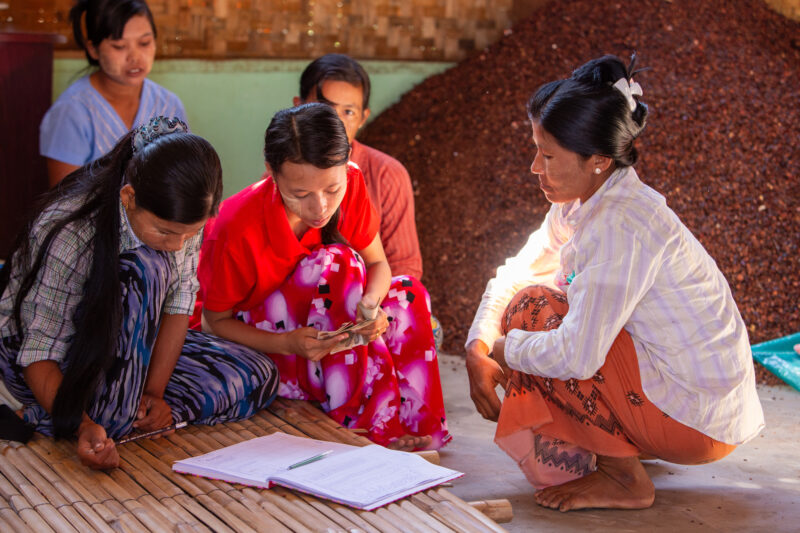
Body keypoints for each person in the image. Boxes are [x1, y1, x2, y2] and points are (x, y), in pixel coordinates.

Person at [465, 55, 764, 511]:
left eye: (547, 155)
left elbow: (578, 355)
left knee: (533, 309)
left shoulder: (621, 224)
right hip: (691, 406)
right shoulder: (584, 201)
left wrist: (503, 349)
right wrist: (477, 344)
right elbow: (517, 268)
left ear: (599, 160)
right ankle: (630, 439)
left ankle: (623, 479)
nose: (534, 167)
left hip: (698, 423)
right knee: (530, 293)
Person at [0, 117, 279, 470]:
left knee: (258, 374)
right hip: (44, 360)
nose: (178, 245)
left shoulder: (183, 217)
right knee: (148, 268)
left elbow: (179, 304)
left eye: (190, 233)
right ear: (128, 197)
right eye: (165, 231)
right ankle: (89, 414)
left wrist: (155, 394)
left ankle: (129, 410)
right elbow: (38, 350)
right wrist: (84, 425)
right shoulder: (70, 231)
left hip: (128, 347)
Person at [195, 103, 451, 451]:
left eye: (332, 190)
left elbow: (379, 265)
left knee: (408, 292)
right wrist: (289, 344)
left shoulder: (354, 182)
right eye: (299, 195)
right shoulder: (235, 226)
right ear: (271, 170)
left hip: (321, 337)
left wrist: (371, 307)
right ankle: (364, 426)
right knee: (338, 263)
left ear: (346, 165)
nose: (319, 208)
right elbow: (213, 323)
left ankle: (414, 424)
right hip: (261, 348)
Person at [294, 54, 423, 280]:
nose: (334, 121)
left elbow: (405, 269)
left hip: (370, 306)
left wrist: (373, 309)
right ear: (298, 107)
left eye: (348, 112)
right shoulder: (284, 172)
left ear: (363, 118)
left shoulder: (387, 175)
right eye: (324, 108)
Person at [40, 0, 187, 186]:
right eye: (119, 46)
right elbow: (65, 204)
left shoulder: (169, 105)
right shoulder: (71, 113)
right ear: (93, 49)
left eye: (144, 43)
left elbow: (179, 181)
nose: (134, 57)